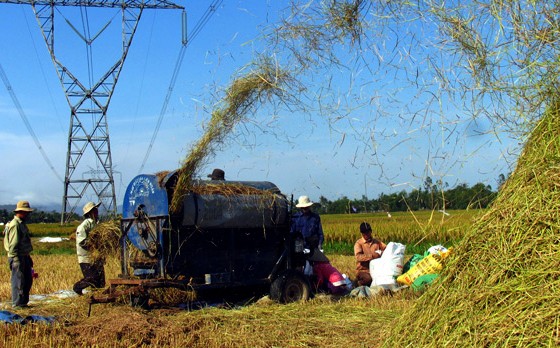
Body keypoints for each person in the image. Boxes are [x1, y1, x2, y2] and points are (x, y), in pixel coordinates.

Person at [291, 196, 347, 294]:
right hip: (300, 248)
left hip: (313, 248)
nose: (305, 209)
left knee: (316, 268)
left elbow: (320, 233)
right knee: (302, 269)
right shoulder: (295, 218)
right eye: (303, 207)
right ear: (300, 208)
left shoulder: (315, 217)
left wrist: (319, 245)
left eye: (307, 207)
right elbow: (292, 234)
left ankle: (316, 287)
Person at [4, 200, 34, 308]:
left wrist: (28, 257)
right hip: (17, 257)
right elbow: (13, 244)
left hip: (24, 256)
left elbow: (23, 242)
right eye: (26, 212)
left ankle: (23, 303)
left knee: (27, 280)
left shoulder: (22, 224)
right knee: (18, 281)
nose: (27, 214)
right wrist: (16, 259)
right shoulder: (15, 225)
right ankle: (17, 304)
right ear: (20, 212)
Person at [73, 202, 105, 295]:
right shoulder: (83, 226)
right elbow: (82, 242)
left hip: (96, 257)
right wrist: (94, 246)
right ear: (90, 213)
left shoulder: (97, 224)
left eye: (96, 210)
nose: (97, 211)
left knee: (100, 280)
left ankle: (97, 296)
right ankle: (77, 287)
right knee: (91, 278)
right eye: (94, 210)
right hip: (86, 257)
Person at [354, 222, 387, 287]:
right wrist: (372, 256)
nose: (366, 235)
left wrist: (383, 252)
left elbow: (386, 248)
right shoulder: (359, 243)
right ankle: (358, 283)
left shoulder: (377, 242)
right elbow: (358, 257)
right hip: (364, 270)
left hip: (376, 269)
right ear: (362, 233)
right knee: (369, 279)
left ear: (371, 231)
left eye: (368, 232)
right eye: (364, 233)